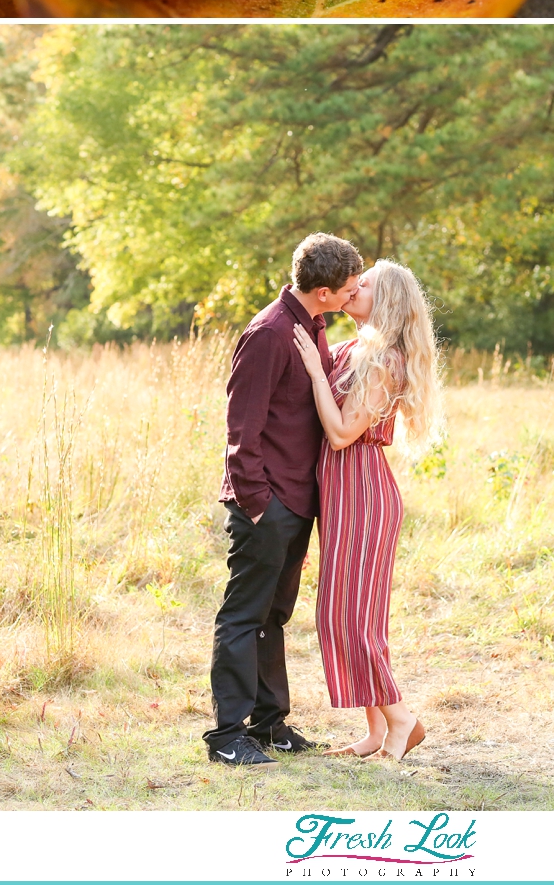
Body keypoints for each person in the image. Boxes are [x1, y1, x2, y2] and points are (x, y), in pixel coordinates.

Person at [204, 232, 363, 768]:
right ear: (322, 291)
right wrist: (257, 503)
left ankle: (269, 724)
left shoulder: (312, 325)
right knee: (244, 616)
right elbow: (240, 428)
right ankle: (227, 735)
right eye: (348, 288)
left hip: (297, 499)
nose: (354, 294)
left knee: (275, 615)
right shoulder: (270, 333)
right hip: (265, 502)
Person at [292, 259, 443, 761]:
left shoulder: (385, 361)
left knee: (350, 618)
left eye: (368, 284)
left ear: (388, 300)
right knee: (355, 615)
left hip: (362, 492)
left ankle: (402, 720)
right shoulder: (355, 348)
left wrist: (316, 373)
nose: (355, 287)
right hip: (341, 494)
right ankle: (376, 732)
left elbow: (340, 434)